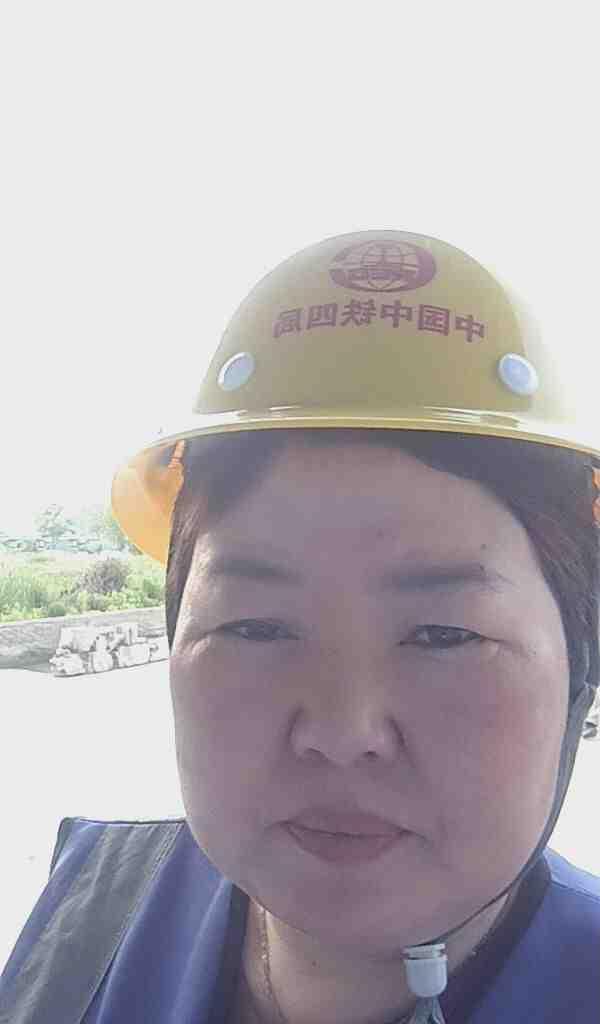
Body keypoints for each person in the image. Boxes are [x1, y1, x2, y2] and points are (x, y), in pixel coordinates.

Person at [1, 230, 599, 1023]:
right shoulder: (89, 923)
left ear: (578, 674)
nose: (342, 733)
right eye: (256, 628)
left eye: (443, 635)